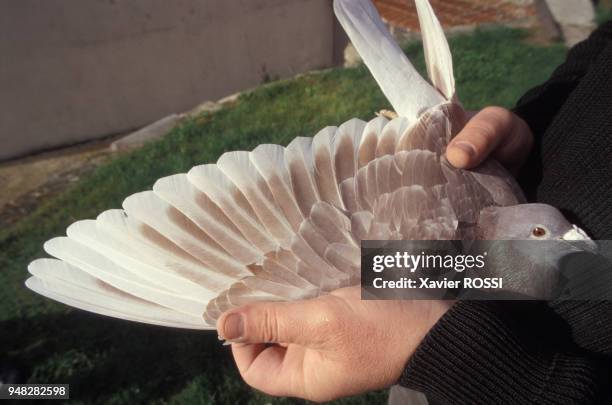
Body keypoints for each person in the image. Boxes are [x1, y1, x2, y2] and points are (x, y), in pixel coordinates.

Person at [216, 20, 612, 404]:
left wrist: (439, 349)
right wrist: (535, 122)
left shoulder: (456, 260)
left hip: (471, 364)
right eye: (549, 233)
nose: (577, 237)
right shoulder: (451, 257)